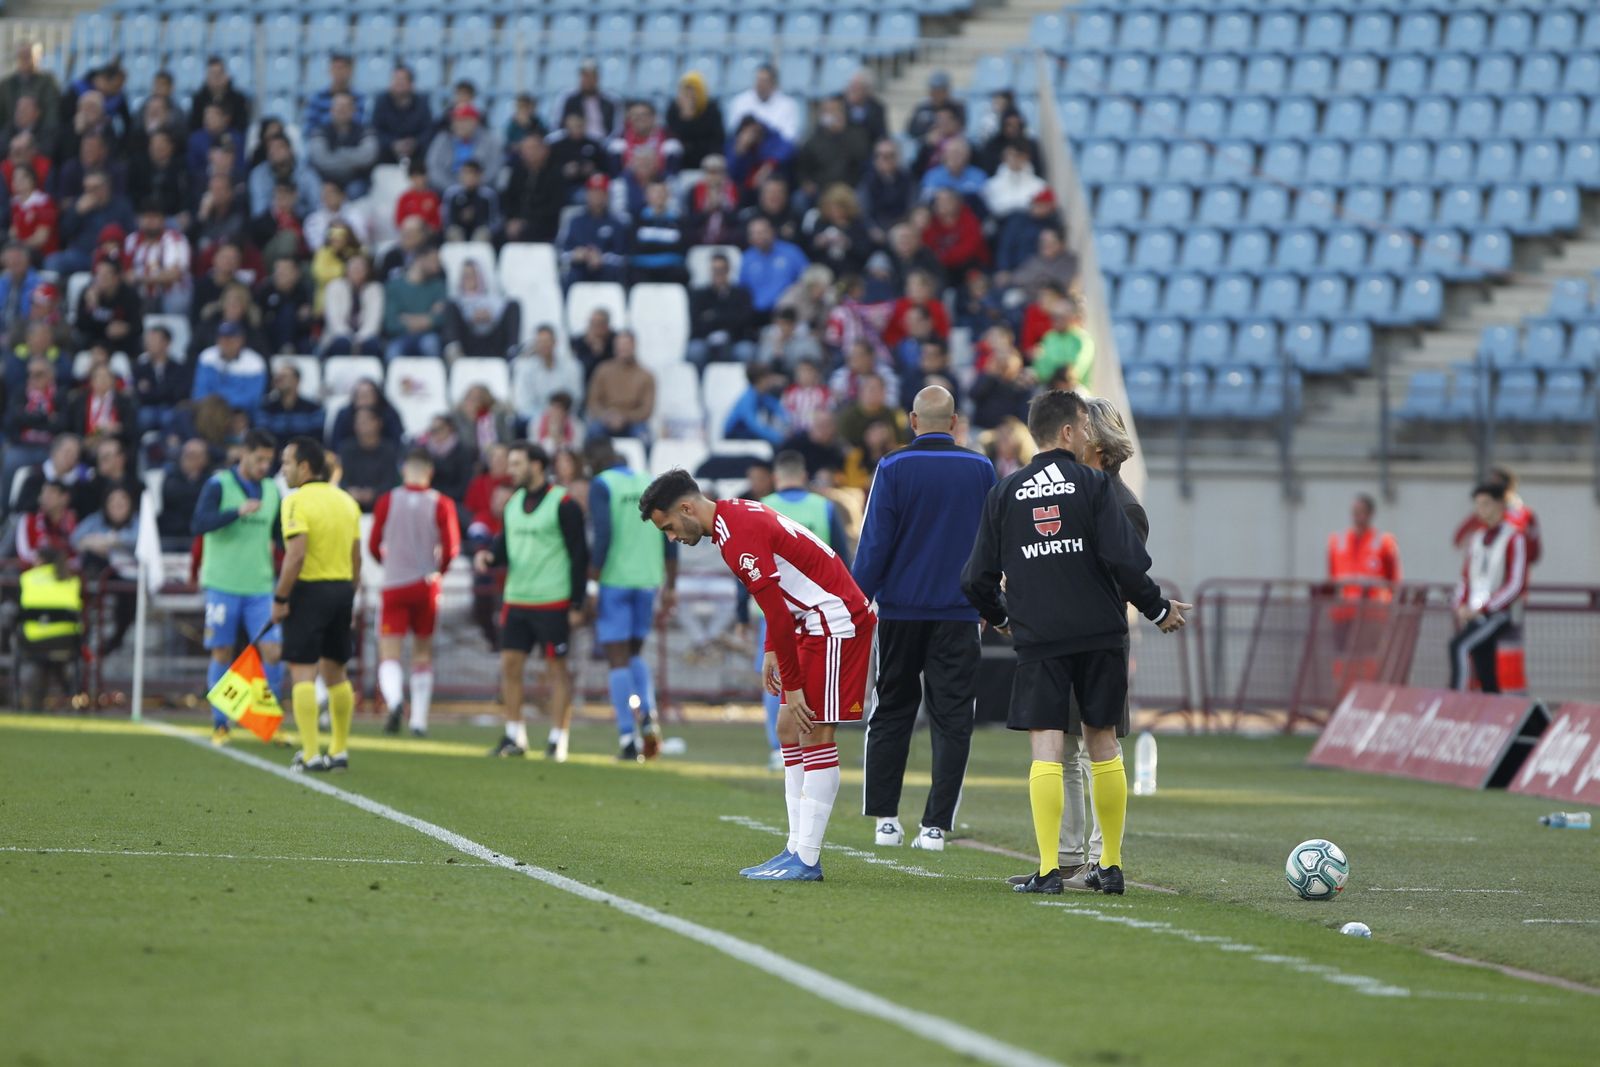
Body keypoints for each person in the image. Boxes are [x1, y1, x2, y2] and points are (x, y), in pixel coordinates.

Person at [960, 390, 1189, 896]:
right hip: (1100, 635)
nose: (1087, 433)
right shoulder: (1093, 485)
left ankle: (1048, 870)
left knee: (1047, 750)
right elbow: (1125, 561)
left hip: (1040, 638)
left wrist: (1002, 618)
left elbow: (975, 578)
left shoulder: (1005, 491)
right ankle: (1108, 865)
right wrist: (1155, 609)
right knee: (1103, 747)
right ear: (1068, 431)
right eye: (1084, 424)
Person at [639, 470, 877, 881]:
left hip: (835, 620)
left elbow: (779, 614)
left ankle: (807, 858)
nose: (672, 537)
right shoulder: (733, 518)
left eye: (670, 528)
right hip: (809, 621)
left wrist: (796, 685)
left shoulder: (737, 536)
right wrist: (770, 651)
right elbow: (778, 603)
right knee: (788, 727)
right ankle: (794, 848)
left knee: (816, 731)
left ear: (686, 508)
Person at [1004, 396, 1148, 890]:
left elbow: (1121, 574)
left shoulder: (1121, 504)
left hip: (1094, 640)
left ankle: (1100, 859)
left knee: (1093, 749)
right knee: (1063, 750)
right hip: (1067, 634)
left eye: (1086, 428)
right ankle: (1068, 860)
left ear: (1099, 444)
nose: (1078, 436)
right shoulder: (1069, 493)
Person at [851, 387, 996, 850]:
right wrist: (990, 602)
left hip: (900, 612)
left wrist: (857, 601)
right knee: (952, 718)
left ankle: (885, 821)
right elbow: (992, 543)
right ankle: (935, 826)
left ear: (913, 420)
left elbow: (875, 542)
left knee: (891, 710)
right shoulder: (981, 469)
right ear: (954, 422)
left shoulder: (892, 468)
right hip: (959, 613)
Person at [474, 442, 589, 759]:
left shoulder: (563, 504)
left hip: (552, 600)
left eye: (516, 464)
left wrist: (577, 604)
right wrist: (487, 557)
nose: (510, 470)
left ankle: (558, 739)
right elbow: (503, 548)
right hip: (516, 598)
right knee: (510, 666)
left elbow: (579, 556)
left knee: (557, 671)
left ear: (537, 465)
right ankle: (514, 735)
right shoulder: (512, 504)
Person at [748, 451, 851, 768]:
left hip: (774, 606)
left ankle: (779, 748)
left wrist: (742, 610)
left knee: (774, 677)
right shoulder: (823, 507)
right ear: (803, 476)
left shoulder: (763, 507)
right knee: (813, 676)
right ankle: (812, 744)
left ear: (777, 477)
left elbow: (747, 562)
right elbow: (841, 558)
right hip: (818, 610)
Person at [272, 436, 363, 773]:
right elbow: (357, 560)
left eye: (286, 463)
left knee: (303, 673)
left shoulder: (295, 502)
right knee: (337, 673)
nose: (283, 471)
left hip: (309, 591)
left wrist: (281, 598)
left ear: (305, 467)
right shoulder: (346, 502)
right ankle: (338, 750)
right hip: (341, 590)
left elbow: (295, 556)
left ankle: (310, 753)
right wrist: (348, 594)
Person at [588, 437, 678, 761]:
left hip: (614, 580)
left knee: (617, 659)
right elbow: (671, 534)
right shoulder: (650, 483)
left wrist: (592, 585)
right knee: (636, 653)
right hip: (648, 580)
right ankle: (649, 716)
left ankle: (628, 738)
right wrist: (671, 584)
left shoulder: (602, 485)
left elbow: (604, 533)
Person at [193, 430, 284, 745]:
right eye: (259, 459)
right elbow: (199, 524)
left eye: (269, 461)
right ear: (243, 454)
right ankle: (221, 722)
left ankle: (265, 721)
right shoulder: (219, 485)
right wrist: (235, 512)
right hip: (222, 584)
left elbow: (281, 537)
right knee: (223, 650)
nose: (264, 466)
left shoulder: (273, 491)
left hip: (260, 586)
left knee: (273, 651)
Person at [370, 449, 461, 738]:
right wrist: (439, 572)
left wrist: (390, 563)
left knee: (389, 651)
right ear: (429, 471)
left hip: (394, 584)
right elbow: (451, 548)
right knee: (422, 652)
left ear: (404, 469)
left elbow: (374, 543)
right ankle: (419, 720)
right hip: (426, 585)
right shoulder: (441, 503)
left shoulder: (387, 500)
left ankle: (396, 701)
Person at [1449, 482, 1529, 694]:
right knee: (1485, 664)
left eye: (1486, 504)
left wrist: (1486, 607)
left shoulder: (1514, 537)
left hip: (1499, 614)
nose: (1481, 510)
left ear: (1501, 505)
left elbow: (1516, 583)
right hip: (1476, 614)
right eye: (1478, 505)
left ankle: (1456, 701)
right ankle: (1490, 702)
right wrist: (1460, 605)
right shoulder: (1477, 539)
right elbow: (1467, 577)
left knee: (1459, 647)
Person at [16, 544, 82, 709]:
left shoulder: (27, 578)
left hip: (33, 641)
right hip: (66, 642)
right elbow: (78, 610)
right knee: (58, 662)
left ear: (40, 561)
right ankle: (72, 699)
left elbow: (19, 610)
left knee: (30, 653)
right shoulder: (72, 580)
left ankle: (33, 701)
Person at [1452, 465, 1542, 567]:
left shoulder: (1526, 515)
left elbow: (1533, 552)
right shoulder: (1481, 515)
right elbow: (1459, 539)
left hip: (1511, 573)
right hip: (1483, 575)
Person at [687, 252, 757, 369]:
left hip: (735, 339)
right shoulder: (699, 295)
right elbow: (696, 322)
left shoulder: (741, 294)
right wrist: (728, 317)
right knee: (695, 351)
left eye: (722, 270)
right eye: (715, 270)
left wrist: (713, 316)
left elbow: (745, 321)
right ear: (710, 271)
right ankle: (700, 385)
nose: (718, 274)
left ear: (728, 270)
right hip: (706, 339)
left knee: (746, 352)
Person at [585, 330, 655, 442]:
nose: (623, 349)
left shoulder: (646, 375)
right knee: (593, 432)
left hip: (633, 422)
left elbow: (647, 409)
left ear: (634, 346)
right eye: (620, 345)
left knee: (645, 438)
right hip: (606, 419)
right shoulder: (603, 370)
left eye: (626, 345)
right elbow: (593, 402)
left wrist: (625, 417)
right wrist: (607, 416)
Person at [382, 245, 446, 361]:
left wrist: (407, 319)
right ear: (420, 259)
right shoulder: (394, 286)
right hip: (400, 337)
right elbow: (391, 324)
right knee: (393, 351)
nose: (438, 266)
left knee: (431, 344)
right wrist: (427, 319)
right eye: (434, 260)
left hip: (428, 337)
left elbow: (440, 319)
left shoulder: (439, 286)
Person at [740, 217, 808, 324]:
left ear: (772, 232)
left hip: (788, 315)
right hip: (756, 315)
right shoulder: (746, 258)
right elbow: (742, 288)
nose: (759, 237)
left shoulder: (791, 252)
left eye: (762, 232)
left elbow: (807, 278)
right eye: (754, 233)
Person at [426, 104, 503, 193]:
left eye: (463, 120)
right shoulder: (443, 138)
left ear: (475, 122)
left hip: (479, 190)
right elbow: (433, 167)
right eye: (456, 120)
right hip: (447, 189)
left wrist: (473, 185)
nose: (458, 124)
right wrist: (453, 188)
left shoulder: (489, 140)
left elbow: (494, 168)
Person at [338, 406, 401, 513]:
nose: (361, 425)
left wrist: (374, 493)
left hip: (381, 508)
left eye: (365, 421)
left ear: (378, 423)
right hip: (349, 507)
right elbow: (341, 479)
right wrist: (351, 491)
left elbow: (391, 481)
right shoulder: (346, 449)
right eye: (358, 422)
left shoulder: (389, 450)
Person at [321, 253, 385, 357]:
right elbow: (334, 321)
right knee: (342, 344)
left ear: (368, 270)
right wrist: (350, 340)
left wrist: (358, 340)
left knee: (371, 344)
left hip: (366, 337)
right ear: (346, 269)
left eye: (361, 267)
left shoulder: (375, 289)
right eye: (353, 266)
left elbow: (374, 321)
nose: (357, 270)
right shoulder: (334, 286)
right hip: (338, 336)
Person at [727, 64, 801, 146]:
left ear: (774, 83)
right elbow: (734, 133)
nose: (760, 84)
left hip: (775, 152)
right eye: (758, 80)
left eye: (764, 81)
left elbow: (789, 137)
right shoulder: (740, 102)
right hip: (747, 152)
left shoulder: (788, 105)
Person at [372, 65, 431, 165]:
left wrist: (415, 143)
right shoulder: (381, 101)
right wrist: (392, 144)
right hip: (386, 157)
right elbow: (376, 130)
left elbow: (428, 130)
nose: (398, 83)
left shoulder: (422, 103)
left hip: (417, 157)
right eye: (395, 79)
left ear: (411, 83)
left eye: (402, 80)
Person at [158, 438, 210, 549]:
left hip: (199, 532)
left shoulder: (210, 478)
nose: (192, 459)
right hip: (173, 533)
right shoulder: (171, 475)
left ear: (205, 458)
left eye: (197, 456)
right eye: (189, 455)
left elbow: (208, 501)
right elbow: (171, 495)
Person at [665, 72, 724, 170]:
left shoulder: (711, 109)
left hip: (705, 152)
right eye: (685, 90)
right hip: (682, 157)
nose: (689, 94)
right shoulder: (674, 109)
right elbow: (673, 135)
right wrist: (685, 117)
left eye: (693, 90)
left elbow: (717, 138)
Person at [722, 363, 789, 446]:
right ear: (760, 380)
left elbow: (778, 409)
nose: (771, 381)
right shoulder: (747, 399)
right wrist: (780, 438)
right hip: (734, 436)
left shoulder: (762, 395)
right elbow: (755, 426)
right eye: (768, 378)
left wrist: (789, 423)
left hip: (748, 435)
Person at [556, 58, 621, 142]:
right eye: (585, 76)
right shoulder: (568, 98)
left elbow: (616, 128)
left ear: (598, 78)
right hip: (574, 140)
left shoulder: (610, 100)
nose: (588, 80)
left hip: (603, 141)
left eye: (592, 76)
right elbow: (558, 124)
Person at [16, 479, 76, 565]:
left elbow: (77, 555)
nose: (44, 498)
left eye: (50, 494)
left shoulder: (73, 521)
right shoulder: (29, 520)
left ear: (64, 498)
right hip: (35, 571)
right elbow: (24, 554)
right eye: (43, 493)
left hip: (66, 572)